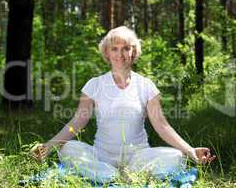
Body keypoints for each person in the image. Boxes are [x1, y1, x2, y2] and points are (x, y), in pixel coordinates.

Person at [31, 26, 215, 181]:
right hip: (101, 156)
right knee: (67, 149)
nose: (120, 54)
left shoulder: (146, 85)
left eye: (126, 48)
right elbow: (77, 122)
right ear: (107, 53)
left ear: (133, 52)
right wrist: (49, 145)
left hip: (139, 157)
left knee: (177, 157)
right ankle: (114, 175)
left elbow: (162, 126)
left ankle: (115, 176)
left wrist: (191, 151)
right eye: (114, 48)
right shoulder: (94, 85)